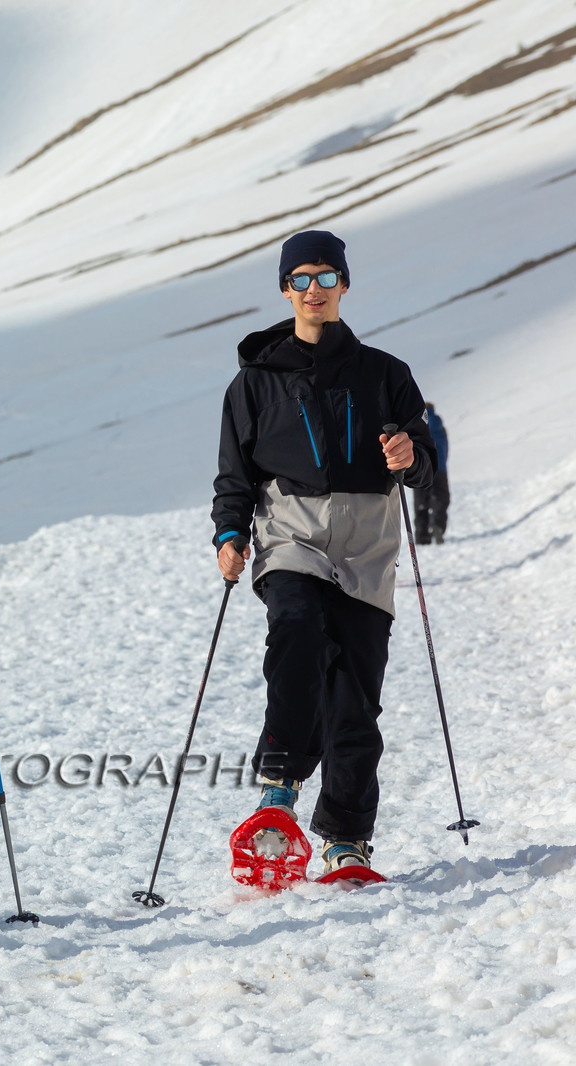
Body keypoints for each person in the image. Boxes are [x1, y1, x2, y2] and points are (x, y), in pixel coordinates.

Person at [211, 231, 435, 876]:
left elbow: (425, 466)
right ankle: (279, 784)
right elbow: (234, 474)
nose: (315, 289)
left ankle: (345, 838)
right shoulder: (254, 383)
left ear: (344, 285)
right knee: (297, 631)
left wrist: (410, 456)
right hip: (292, 531)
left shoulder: (386, 374)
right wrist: (230, 534)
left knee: (355, 698)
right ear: (285, 289)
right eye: (302, 278)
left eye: (327, 277)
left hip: (368, 542)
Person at [414, 402, 450, 544]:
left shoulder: (417, 422)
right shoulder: (440, 426)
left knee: (421, 502)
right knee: (441, 499)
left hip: (421, 468)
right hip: (440, 469)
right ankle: (438, 525)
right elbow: (445, 448)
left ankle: (422, 535)